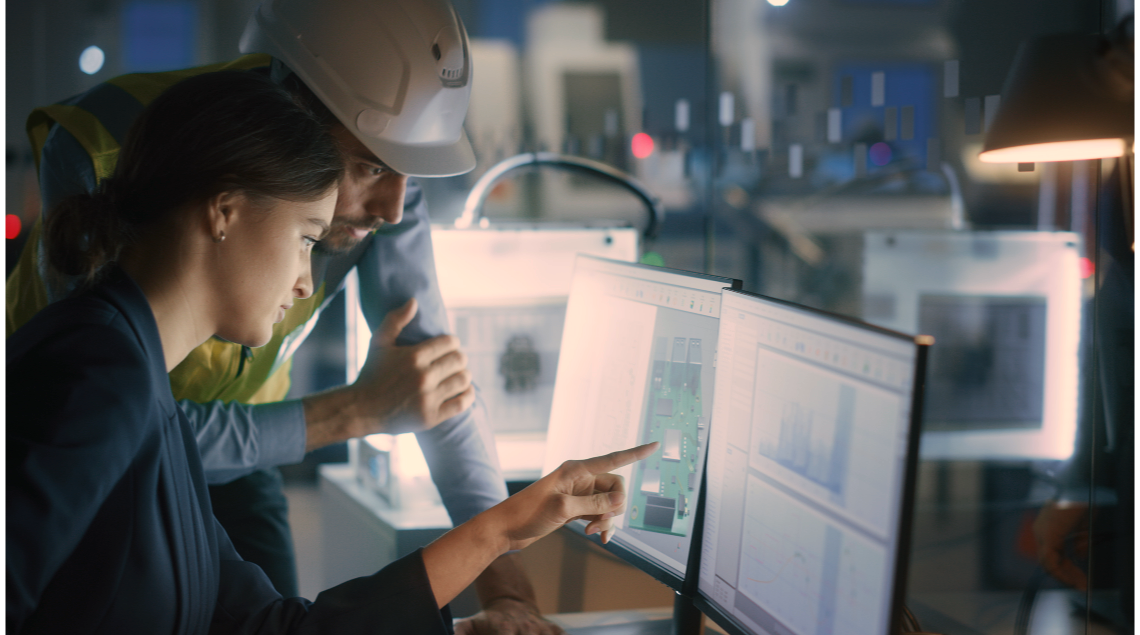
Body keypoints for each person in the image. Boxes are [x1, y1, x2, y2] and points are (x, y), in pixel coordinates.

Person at [4, 68, 656, 635]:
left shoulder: (150, 392)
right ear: (224, 210)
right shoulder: (98, 372)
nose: (307, 282)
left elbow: (272, 625)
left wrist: (505, 530)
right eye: (305, 239)